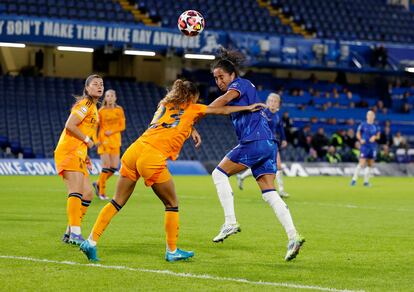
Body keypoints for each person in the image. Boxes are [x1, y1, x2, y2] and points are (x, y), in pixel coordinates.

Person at [79, 79, 265, 262]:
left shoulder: (164, 104)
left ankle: (91, 241)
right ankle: (172, 250)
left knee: (117, 202)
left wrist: (191, 129)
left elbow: (171, 121)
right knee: (172, 203)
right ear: (192, 96)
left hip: (133, 151)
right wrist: (247, 108)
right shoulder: (193, 108)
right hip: (151, 157)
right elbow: (221, 109)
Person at [208, 49, 304, 261]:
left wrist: (201, 109)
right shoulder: (245, 88)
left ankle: (230, 221)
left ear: (232, 74)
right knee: (269, 193)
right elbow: (225, 109)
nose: (218, 81)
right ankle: (293, 236)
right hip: (268, 144)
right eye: (215, 78)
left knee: (219, 174)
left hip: (254, 142)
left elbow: (218, 105)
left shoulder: (238, 85)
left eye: (221, 77)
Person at [54, 74, 103, 245]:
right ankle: (76, 232)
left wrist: (86, 155)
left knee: (88, 194)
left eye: (101, 84)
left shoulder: (94, 107)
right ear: (87, 88)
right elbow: (70, 125)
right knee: (75, 190)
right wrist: (87, 140)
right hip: (69, 151)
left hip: (79, 154)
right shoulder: (85, 104)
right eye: (95, 84)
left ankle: (69, 230)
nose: (99, 86)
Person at [236, 93, 290, 198]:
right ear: (267, 102)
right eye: (271, 101)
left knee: (277, 166)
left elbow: (280, 129)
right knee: (259, 167)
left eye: (275, 101)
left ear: (278, 104)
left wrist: (284, 139)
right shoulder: (263, 113)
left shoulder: (277, 116)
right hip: (260, 143)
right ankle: (242, 177)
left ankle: (281, 190)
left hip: (272, 144)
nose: (273, 103)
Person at [93, 90, 126, 200]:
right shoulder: (101, 111)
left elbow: (122, 126)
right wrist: (95, 139)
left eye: (112, 95)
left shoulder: (119, 110)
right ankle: (102, 192)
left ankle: (98, 183)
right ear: (105, 98)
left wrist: (112, 131)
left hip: (115, 140)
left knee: (114, 167)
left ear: (115, 98)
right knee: (106, 167)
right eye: (108, 96)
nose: (110, 97)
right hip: (104, 141)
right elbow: (95, 126)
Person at [351, 110, 380, 187]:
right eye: (369, 115)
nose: (370, 116)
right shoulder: (362, 125)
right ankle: (354, 180)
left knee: (370, 164)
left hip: (372, 147)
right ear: (367, 116)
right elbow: (357, 134)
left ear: (374, 117)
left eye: (372, 115)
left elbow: (378, 136)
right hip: (365, 146)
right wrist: (360, 139)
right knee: (362, 163)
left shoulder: (376, 126)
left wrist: (375, 137)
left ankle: (366, 182)